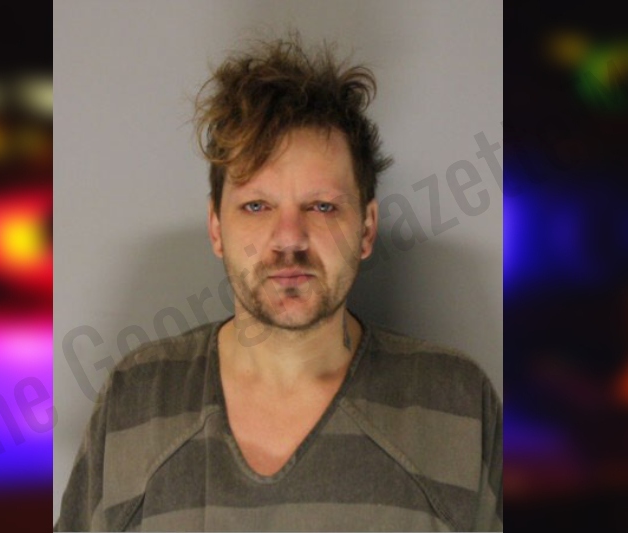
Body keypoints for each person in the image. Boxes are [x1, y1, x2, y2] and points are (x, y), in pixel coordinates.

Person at [55, 36, 502, 532]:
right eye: (256, 206)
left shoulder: (458, 405)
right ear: (216, 228)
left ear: (367, 229)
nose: (289, 238)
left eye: (323, 206)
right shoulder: (135, 401)